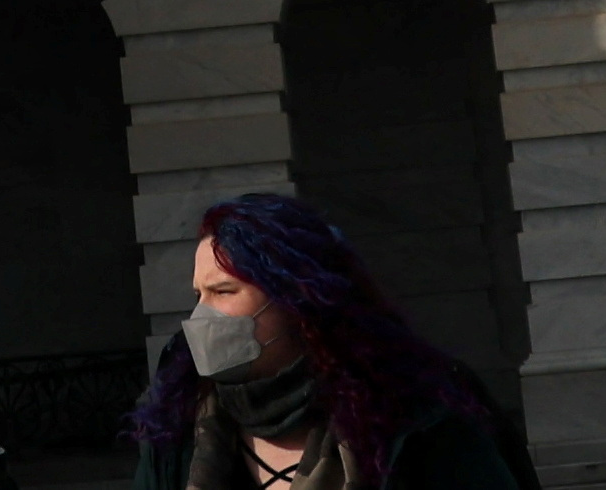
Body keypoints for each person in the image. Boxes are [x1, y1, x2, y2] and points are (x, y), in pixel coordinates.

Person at [127, 197, 529, 490]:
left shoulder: (418, 414)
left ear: (295, 298)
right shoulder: (177, 428)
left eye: (223, 292)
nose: (202, 316)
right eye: (198, 295)